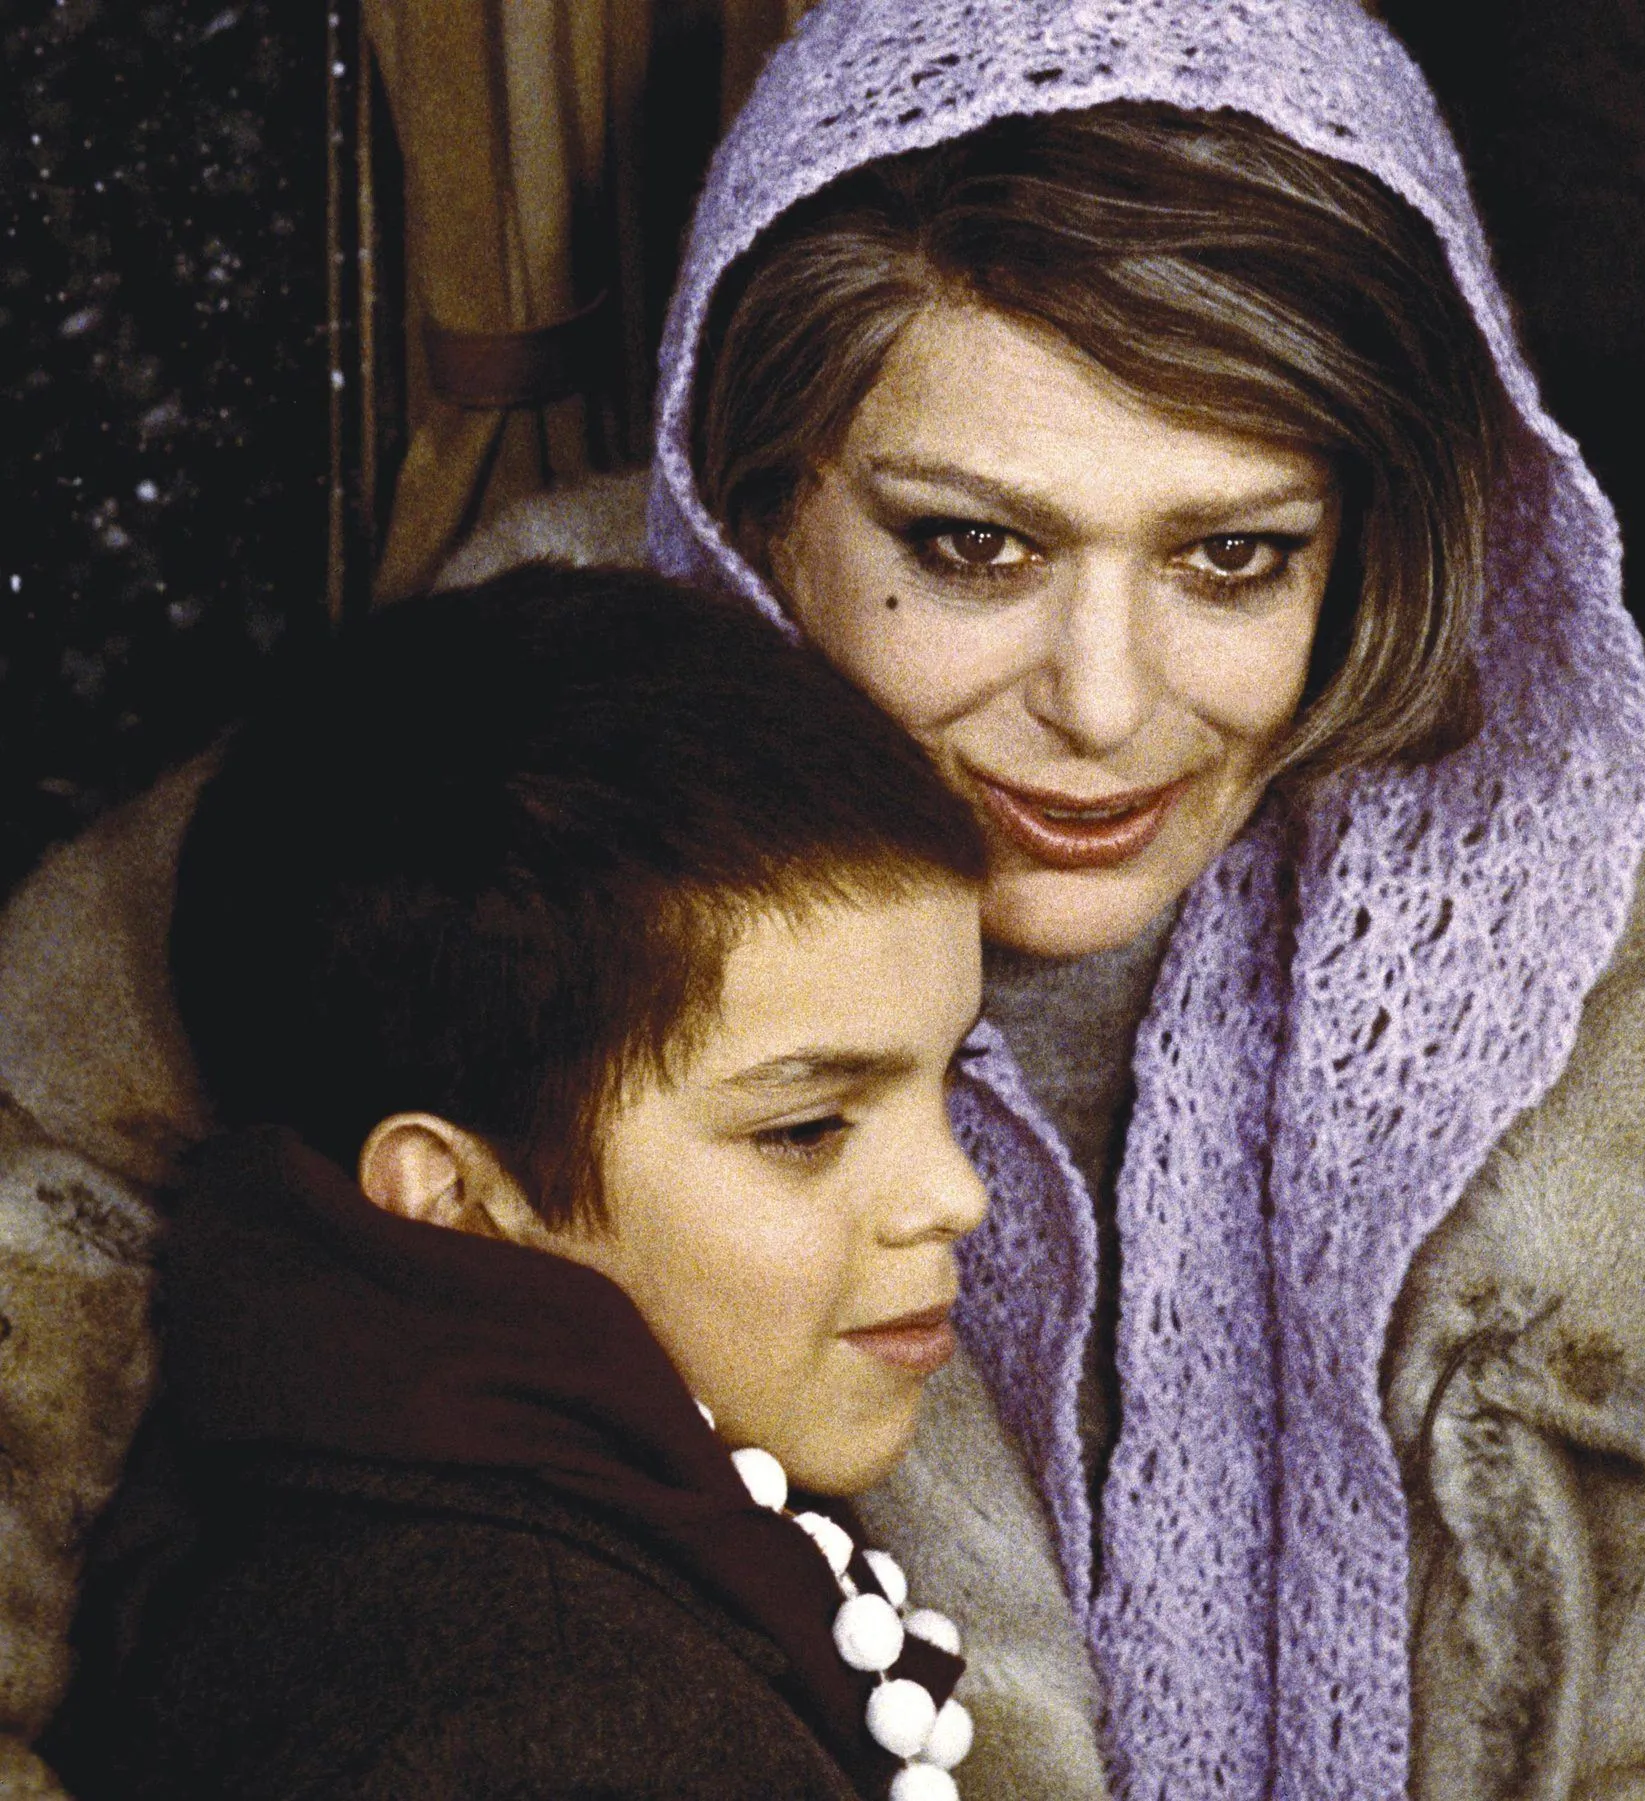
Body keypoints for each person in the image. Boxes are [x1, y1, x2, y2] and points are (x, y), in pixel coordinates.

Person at [4, 2, 1645, 1797]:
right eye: (971, 546)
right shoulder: (449, 823)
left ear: (1371, 554)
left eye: (1232, 558)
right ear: (760, 488)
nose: (1105, 706)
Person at [38, 566, 989, 1801]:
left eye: (947, 1083)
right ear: (450, 1199)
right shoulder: (556, 1727)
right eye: (806, 1127)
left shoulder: (383, 1523)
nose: (953, 1194)